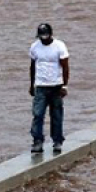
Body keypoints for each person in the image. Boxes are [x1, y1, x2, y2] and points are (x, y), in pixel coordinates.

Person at [29, 23, 69, 154]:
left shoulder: (59, 46)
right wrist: (32, 84)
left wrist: (64, 86)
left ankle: (57, 141)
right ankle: (37, 141)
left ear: (51, 34)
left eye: (46, 35)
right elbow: (32, 66)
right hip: (40, 86)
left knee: (56, 115)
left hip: (56, 86)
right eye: (41, 36)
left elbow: (65, 67)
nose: (44, 38)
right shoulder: (35, 47)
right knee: (38, 115)